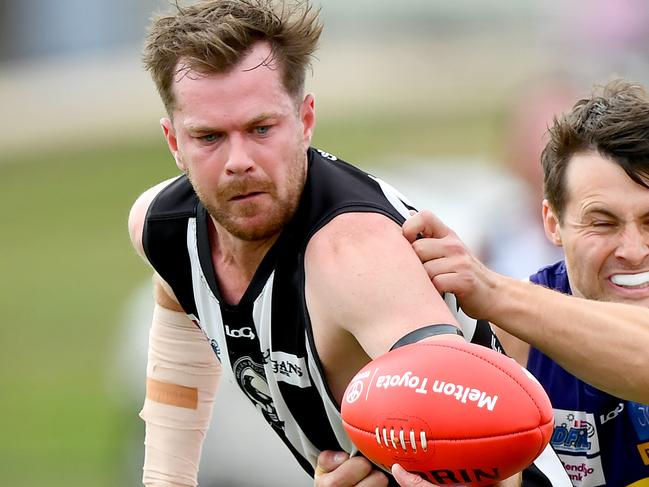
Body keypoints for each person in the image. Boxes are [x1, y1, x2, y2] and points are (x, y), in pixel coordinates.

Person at [127, 1, 567, 486]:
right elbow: (179, 318)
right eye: (209, 137)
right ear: (173, 142)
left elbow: (478, 421)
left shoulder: (355, 256)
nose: (239, 161)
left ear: (305, 119)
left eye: (261, 129)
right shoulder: (166, 229)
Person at [404, 80, 649, 486]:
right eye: (603, 223)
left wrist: (491, 290)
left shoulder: (505, 305)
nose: (634, 249)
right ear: (552, 223)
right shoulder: (509, 345)